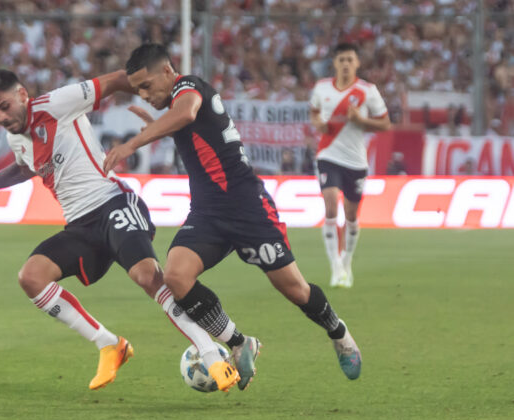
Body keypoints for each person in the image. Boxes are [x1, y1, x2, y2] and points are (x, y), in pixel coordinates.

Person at [0, 69, 241, 392]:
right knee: (31, 277)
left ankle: (211, 354)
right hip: (80, 225)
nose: (1, 117)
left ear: (22, 94)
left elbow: (118, 78)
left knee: (147, 276)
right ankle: (109, 344)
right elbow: (23, 168)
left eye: (4, 106)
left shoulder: (56, 104)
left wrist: (165, 99)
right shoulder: (16, 138)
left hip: (113, 203)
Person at [104, 43, 362, 382]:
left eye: (147, 86)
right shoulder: (175, 103)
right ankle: (239, 343)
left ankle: (339, 333)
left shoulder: (190, 87)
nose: (143, 94)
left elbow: (185, 114)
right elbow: (186, 126)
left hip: (248, 208)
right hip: (208, 213)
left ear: (167, 72)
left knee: (296, 290)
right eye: (137, 90)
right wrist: (154, 123)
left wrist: (131, 144)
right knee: (176, 277)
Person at [309, 42, 391, 288]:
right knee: (331, 204)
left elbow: (385, 124)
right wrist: (318, 124)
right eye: (341, 59)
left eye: (349, 60)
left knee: (352, 214)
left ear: (357, 63)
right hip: (328, 154)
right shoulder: (322, 87)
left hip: (355, 160)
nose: (345, 64)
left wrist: (360, 119)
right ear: (334, 63)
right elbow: (314, 112)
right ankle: (335, 266)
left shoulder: (368, 91)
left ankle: (347, 261)